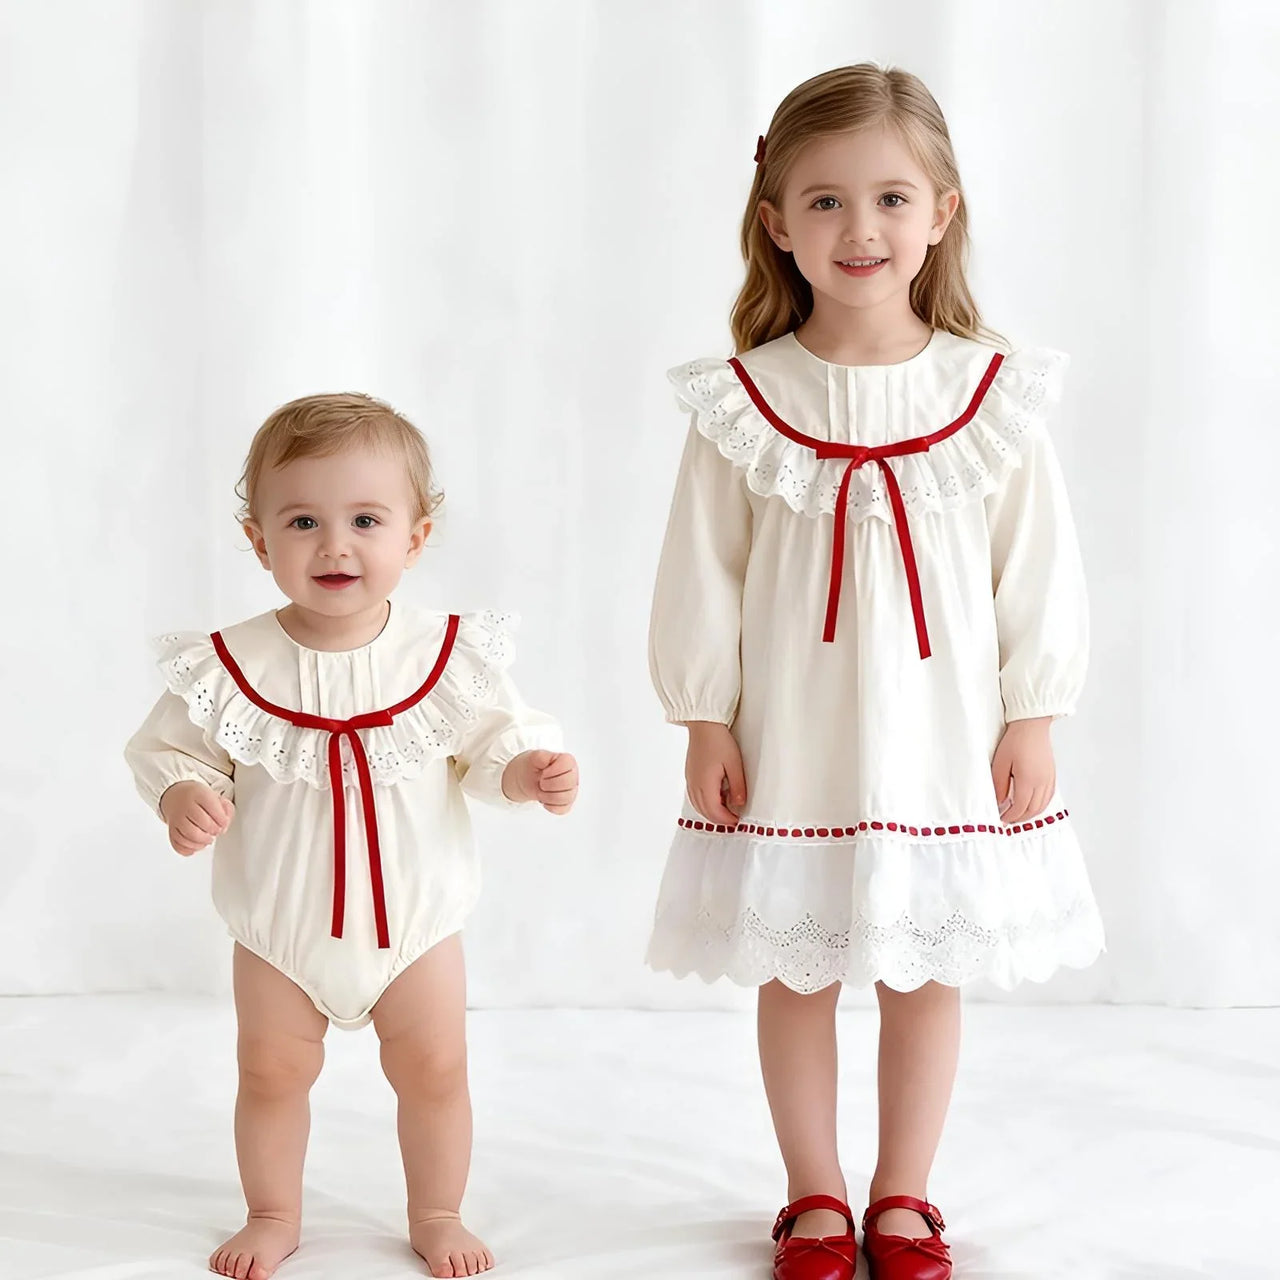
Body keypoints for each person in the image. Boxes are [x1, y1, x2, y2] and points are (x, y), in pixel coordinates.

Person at [645, 63, 1103, 1280]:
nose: (860, 228)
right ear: (775, 222)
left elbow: (1034, 566)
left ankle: (902, 1192)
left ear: (940, 213)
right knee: (796, 965)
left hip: (942, 728)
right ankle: (812, 1192)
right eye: (826, 200)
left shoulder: (989, 393)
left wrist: (1032, 711)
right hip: (793, 729)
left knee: (923, 961)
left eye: (891, 198)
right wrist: (703, 715)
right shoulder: (743, 401)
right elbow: (702, 572)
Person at [125, 392, 579, 1280]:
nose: (335, 545)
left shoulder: (444, 654)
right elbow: (169, 751)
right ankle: (272, 1212)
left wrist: (526, 770)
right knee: (269, 1073)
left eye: (366, 520)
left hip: (415, 923)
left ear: (415, 537)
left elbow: (491, 742)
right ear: (259, 541)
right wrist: (182, 794)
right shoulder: (231, 664)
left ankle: (438, 1212)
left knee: (436, 1070)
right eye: (303, 521)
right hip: (280, 926)